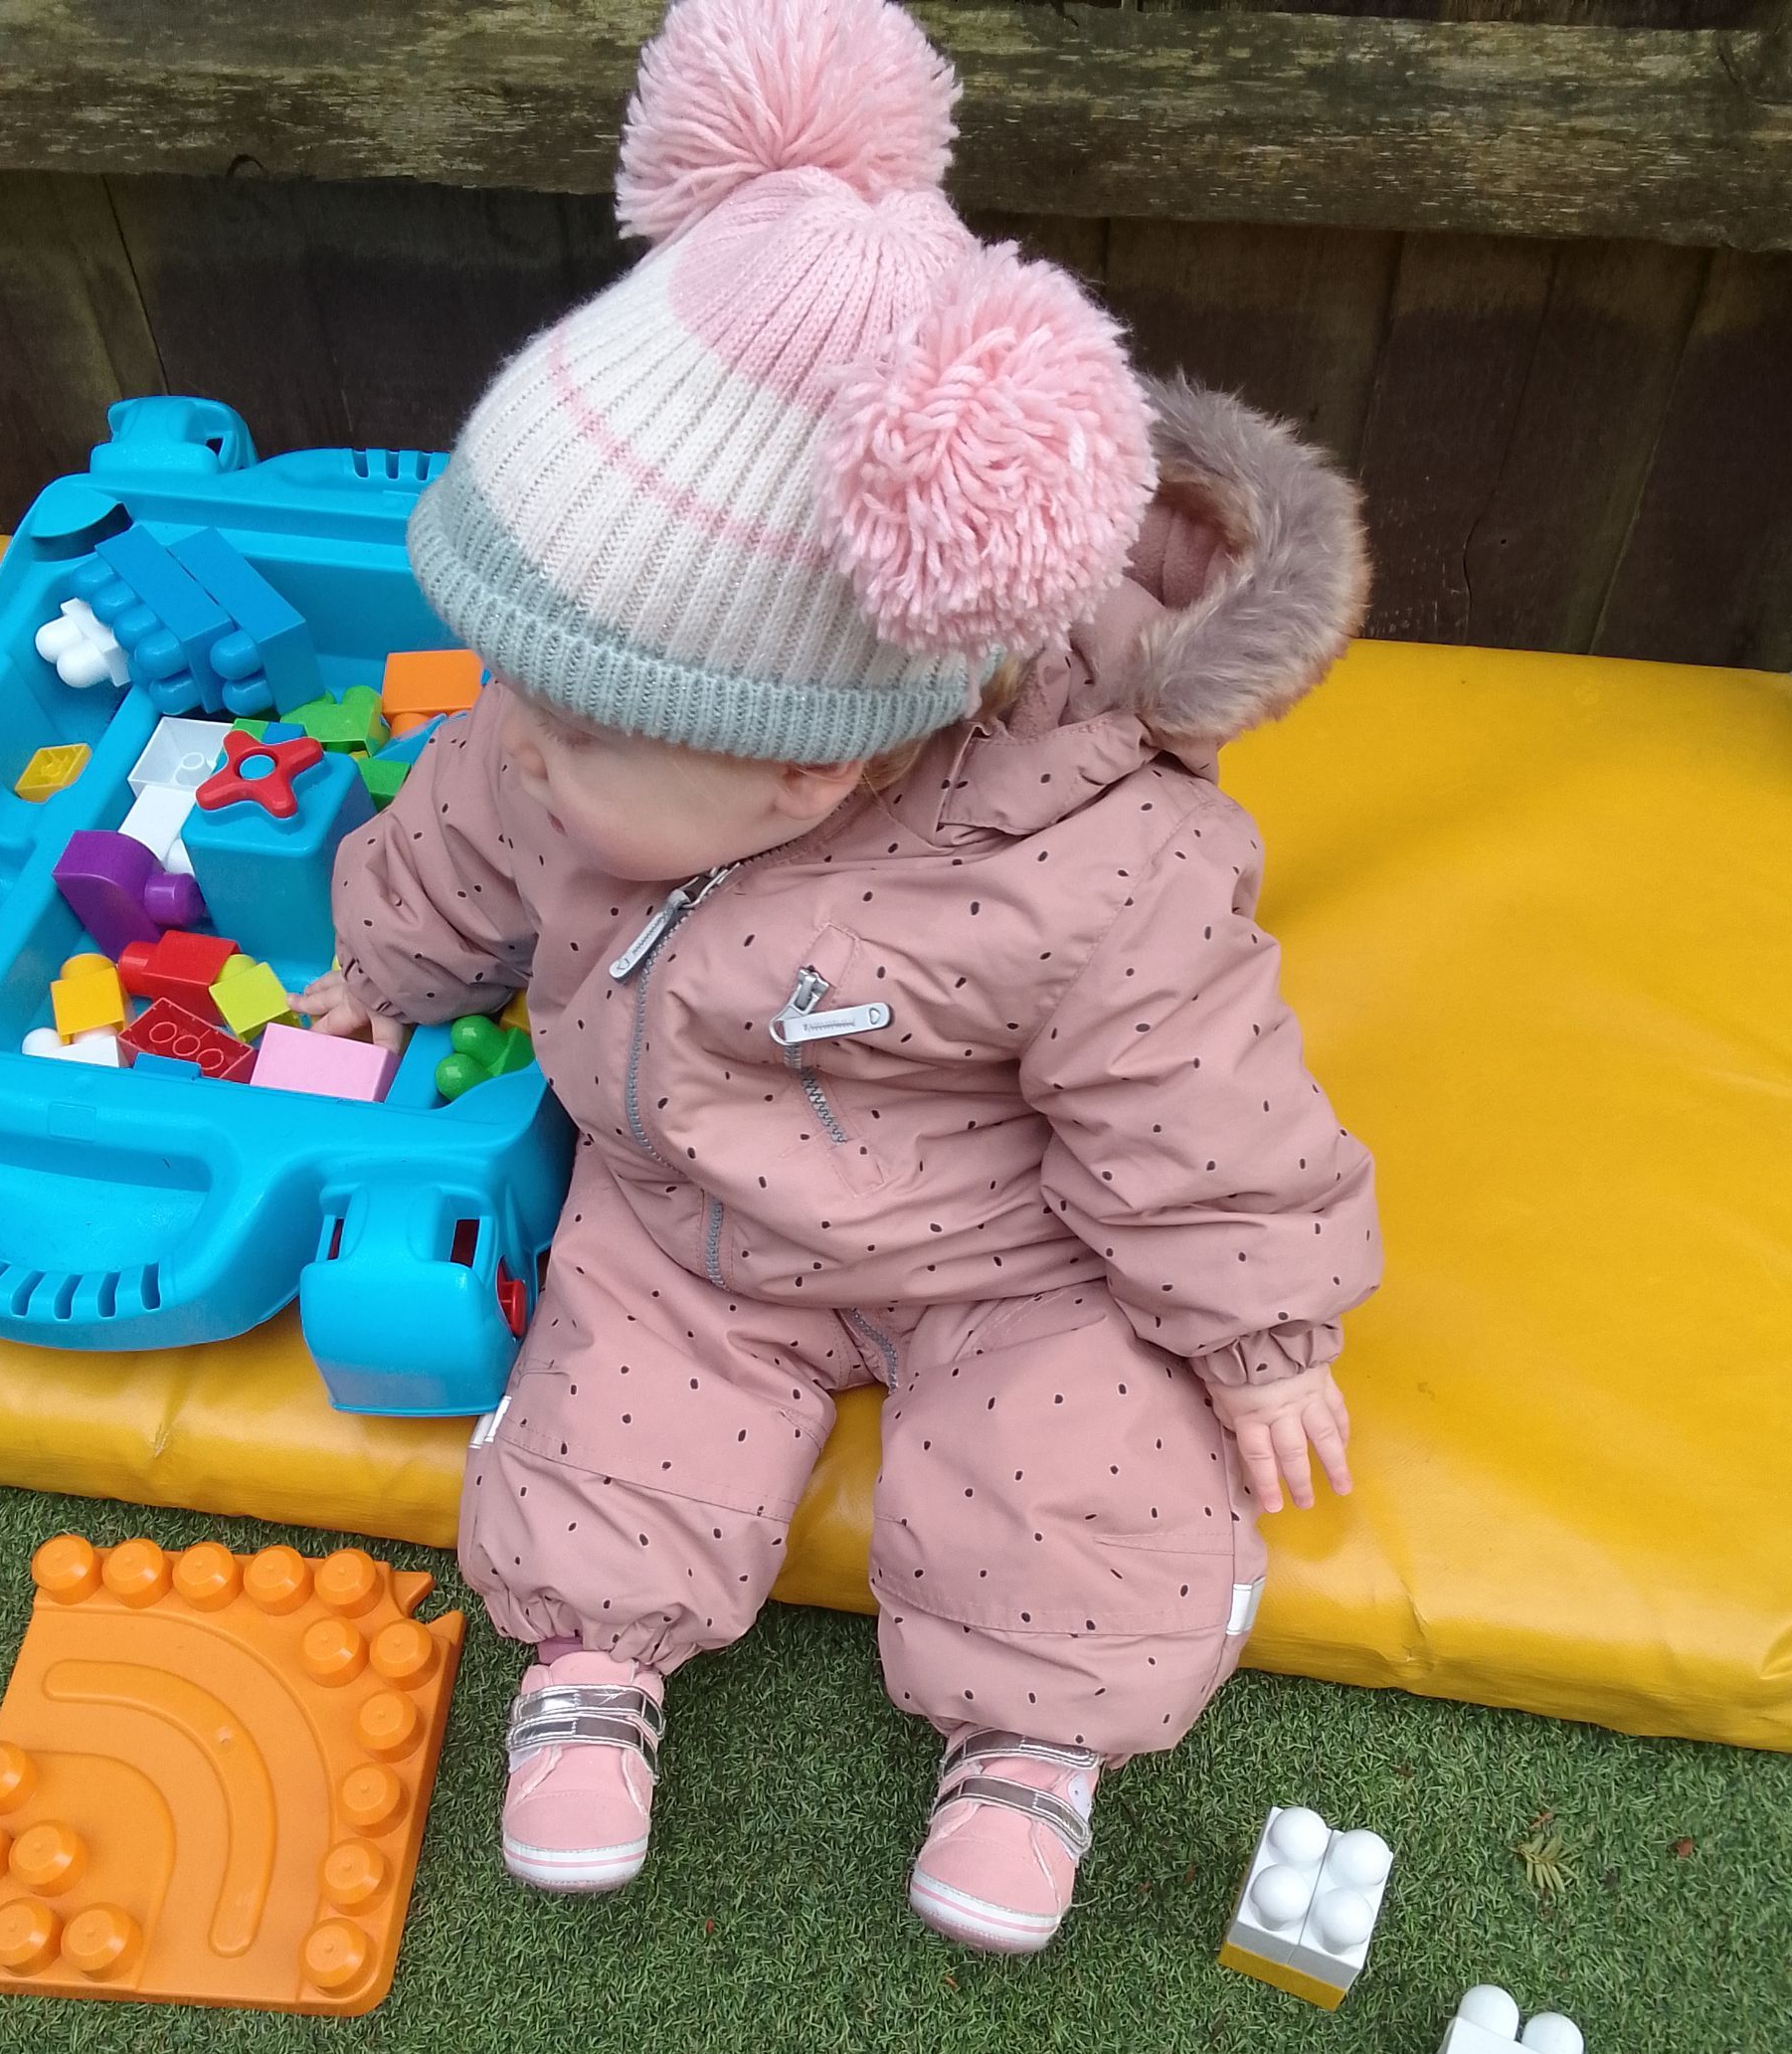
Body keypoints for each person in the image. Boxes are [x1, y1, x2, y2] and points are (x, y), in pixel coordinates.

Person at [297, 0, 1380, 1956]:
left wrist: (1264, 1325)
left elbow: (1194, 1097)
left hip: (997, 1250)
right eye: (515, 689)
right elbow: (471, 824)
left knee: (1079, 1461)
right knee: (610, 1409)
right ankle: (592, 1661)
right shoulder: (559, 728)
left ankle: (1034, 1739)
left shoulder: (1071, 849)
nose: (511, 739)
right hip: (692, 1213)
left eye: (574, 726)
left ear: (803, 764)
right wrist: (377, 963)